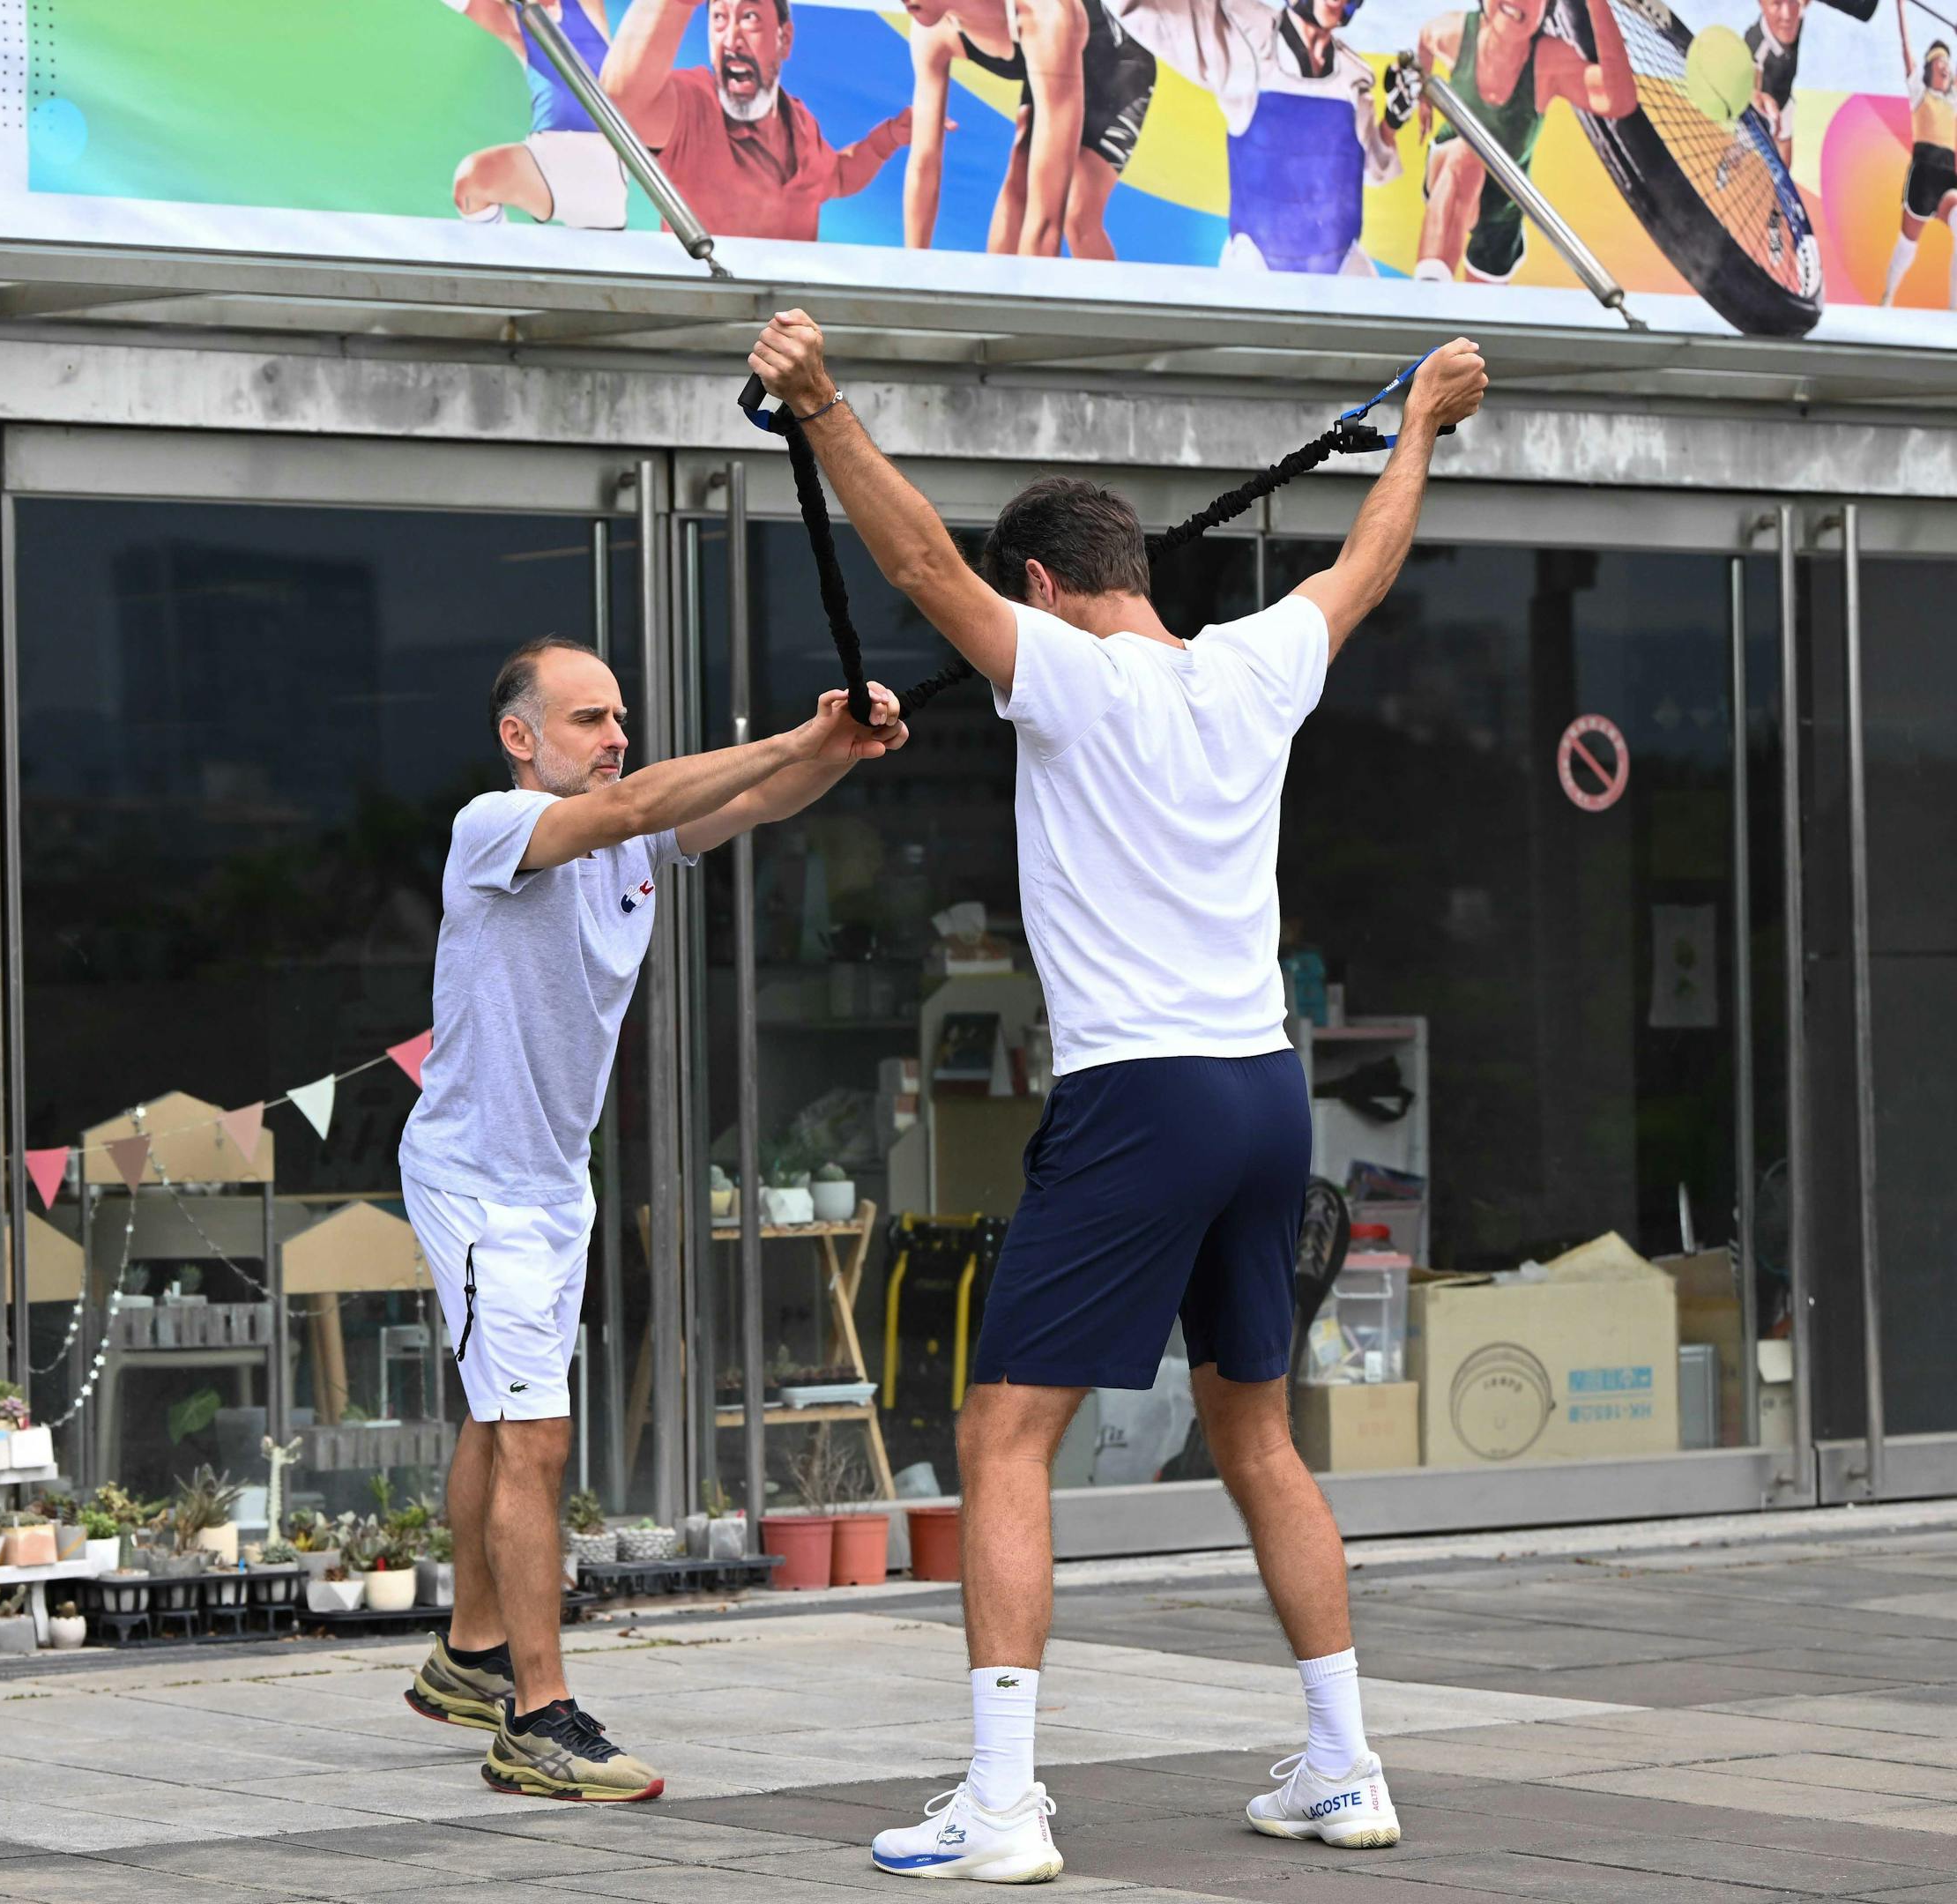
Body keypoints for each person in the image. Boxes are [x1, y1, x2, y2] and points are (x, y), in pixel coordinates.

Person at [744, 307, 1486, 1883]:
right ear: (1132, 571)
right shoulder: (1251, 667)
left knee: (1005, 1434)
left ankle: (1005, 1806)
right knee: (1258, 1434)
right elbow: (1364, 566)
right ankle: (1346, 1767)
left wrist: (819, 409)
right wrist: (1419, 424)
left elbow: (917, 578)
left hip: (1141, 1097)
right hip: (1262, 1097)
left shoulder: (1073, 681)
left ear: (1045, 588)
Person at [399, 636, 905, 1802]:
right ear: (521, 738)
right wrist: (792, 732)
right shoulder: (495, 825)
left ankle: (471, 1652)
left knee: (501, 1415)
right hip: (477, 1179)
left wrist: (835, 747)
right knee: (537, 1436)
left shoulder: (627, 841)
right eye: (588, 718)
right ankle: (537, 1719)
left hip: (551, 1182)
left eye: (619, 716)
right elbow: (636, 799)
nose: (615, 735)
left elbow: (760, 798)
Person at [1116, 0, 1405, 274]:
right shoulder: (1244, 46)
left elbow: (1372, 170)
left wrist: (1392, 121)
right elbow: (1139, 10)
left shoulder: (1354, 78)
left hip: (1341, 272)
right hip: (1255, 270)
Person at [599, 0, 913, 241]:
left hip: (789, 318)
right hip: (708, 316)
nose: (731, 39)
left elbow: (838, 178)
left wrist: (889, 138)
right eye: (719, 19)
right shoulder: (693, 104)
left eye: (749, 17)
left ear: (784, 39)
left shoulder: (801, 121)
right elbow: (622, 105)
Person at [906, 0, 1161, 259]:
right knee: (1019, 179)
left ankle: (1110, 299)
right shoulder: (932, 30)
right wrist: (912, 274)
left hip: (1112, 62)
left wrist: (1032, 294)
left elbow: (1047, 219)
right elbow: (923, 164)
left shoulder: (1046, 15)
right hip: (1051, 59)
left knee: (1077, 213)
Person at [1412, 0, 1637, 283]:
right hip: (1450, 169)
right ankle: (1429, 288)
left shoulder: (1549, 61)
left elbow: (1618, 100)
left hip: (1505, 200)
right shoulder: (1454, 31)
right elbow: (1424, 41)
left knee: (1481, 308)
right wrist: (1424, 97)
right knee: (1465, 154)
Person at [446, 0, 633, 228]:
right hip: (545, 157)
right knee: (472, 181)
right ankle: (499, 257)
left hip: (602, 162)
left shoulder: (585, 6)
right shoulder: (515, 22)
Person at [1887, 24, 1956, 305]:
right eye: (1939, 62)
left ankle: (1955, 311)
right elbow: (1907, 50)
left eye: (1948, 64)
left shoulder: (1953, 101)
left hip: (1949, 177)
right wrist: (1901, 9)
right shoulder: (1920, 94)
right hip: (1923, 176)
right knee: (1907, 245)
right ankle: (1888, 297)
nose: (1945, 67)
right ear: (1929, 69)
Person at [1751, 0, 1804, 167]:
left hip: (1785, 102)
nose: (1787, 14)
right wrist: (1761, 109)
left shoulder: (1796, 20)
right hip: (1764, 111)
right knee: (1743, 146)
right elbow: (1753, 84)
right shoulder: (1756, 41)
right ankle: (1728, 164)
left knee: (1785, 143)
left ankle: (1782, 183)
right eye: (1777, 3)